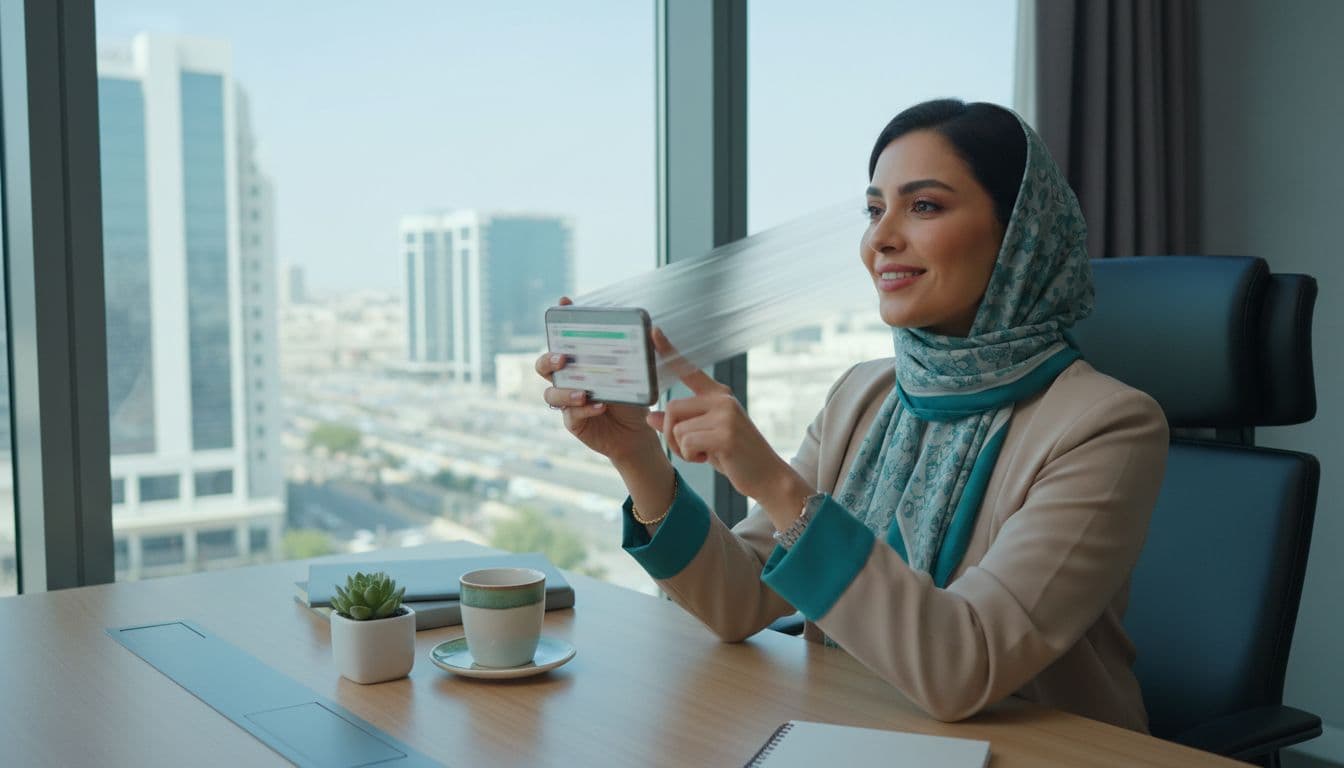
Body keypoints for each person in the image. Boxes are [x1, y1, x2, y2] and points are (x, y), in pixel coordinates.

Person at [535, 99, 1167, 732]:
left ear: (1019, 235)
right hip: (852, 728)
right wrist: (636, 457)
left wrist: (776, 484)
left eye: (924, 206)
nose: (881, 238)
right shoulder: (862, 394)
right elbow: (742, 601)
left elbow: (962, 670)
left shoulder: (1107, 426)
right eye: (874, 210)